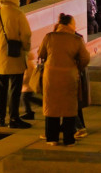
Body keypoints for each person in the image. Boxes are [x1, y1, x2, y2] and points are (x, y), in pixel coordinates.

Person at [39, 13, 91, 146]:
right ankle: (68, 139)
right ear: (69, 25)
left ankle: (52, 138)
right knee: (69, 107)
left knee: (52, 106)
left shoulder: (49, 37)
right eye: (74, 24)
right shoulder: (76, 40)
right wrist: (76, 67)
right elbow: (85, 58)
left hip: (50, 76)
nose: (75, 26)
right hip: (69, 76)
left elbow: (41, 54)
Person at [0, 0, 32, 129]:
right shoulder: (18, 14)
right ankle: (14, 118)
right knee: (15, 89)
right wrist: (25, 48)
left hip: (1, 58)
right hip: (15, 57)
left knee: (1, 89)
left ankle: (0, 118)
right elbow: (26, 34)